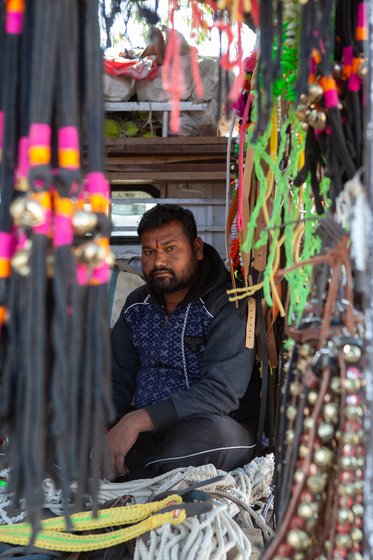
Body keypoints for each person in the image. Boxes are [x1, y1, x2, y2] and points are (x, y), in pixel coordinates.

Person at [108, 203, 257, 478]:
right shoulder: (136, 305)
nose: (159, 261)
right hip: (145, 432)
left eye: (171, 249)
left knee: (214, 437)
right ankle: (136, 467)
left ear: (197, 249)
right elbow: (116, 378)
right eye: (149, 252)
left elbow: (221, 392)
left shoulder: (228, 304)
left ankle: (140, 471)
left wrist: (136, 421)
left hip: (209, 428)